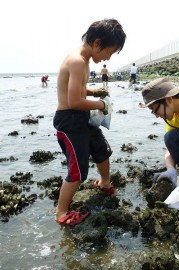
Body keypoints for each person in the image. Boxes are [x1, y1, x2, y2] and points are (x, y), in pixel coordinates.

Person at [53, 19, 126, 226]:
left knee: (101, 149)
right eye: (109, 53)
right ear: (97, 43)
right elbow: (74, 101)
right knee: (77, 171)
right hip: (70, 122)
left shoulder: (83, 60)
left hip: (81, 118)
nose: (108, 58)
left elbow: (76, 89)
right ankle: (61, 212)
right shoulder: (76, 61)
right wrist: (100, 104)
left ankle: (104, 182)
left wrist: (93, 91)